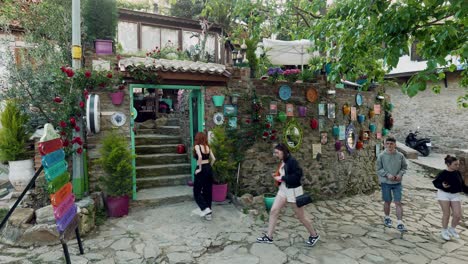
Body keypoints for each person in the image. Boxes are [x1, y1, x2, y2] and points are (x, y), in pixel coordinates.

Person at [257, 143, 320, 246]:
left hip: (293, 191)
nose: (276, 155)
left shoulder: (292, 161)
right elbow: (285, 173)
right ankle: (269, 237)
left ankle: (314, 235)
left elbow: (297, 176)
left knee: (301, 217)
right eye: (275, 153)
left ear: (283, 151)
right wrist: (277, 175)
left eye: (277, 152)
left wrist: (282, 178)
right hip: (283, 190)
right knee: (273, 211)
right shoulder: (284, 161)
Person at [432, 155, 468, 240]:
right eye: (455, 164)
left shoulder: (458, 173)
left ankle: (452, 229)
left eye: (458, 164)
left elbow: (462, 185)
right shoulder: (443, 173)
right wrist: (442, 185)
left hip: (455, 195)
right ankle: (444, 231)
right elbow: (436, 183)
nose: (457, 166)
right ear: (448, 164)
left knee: (457, 214)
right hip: (443, 194)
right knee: (446, 214)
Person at [377, 136, 408, 231]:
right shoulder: (381, 156)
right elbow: (379, 169)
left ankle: (400, 222)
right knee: (387, 201)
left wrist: (400, 174)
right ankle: (387, 218)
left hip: (397, 183)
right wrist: (387, 175)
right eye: (388, 143)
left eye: (391, 144)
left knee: (398, 202)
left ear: (395, 145)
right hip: (386, 183)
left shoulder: (400, 156)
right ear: (385, 144)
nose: (389, 145)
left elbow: (404, 167)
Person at [193, 132, 216, 221]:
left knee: (196, 191)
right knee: (208, 191)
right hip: (208, 169)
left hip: (201, 169)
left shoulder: (197, 146)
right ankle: (209, 214)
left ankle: (205, 208)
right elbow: (214, 159)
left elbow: (199, 157)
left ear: (197, 138)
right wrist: (209, 167)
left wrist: (199, 168)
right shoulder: (207, 147)